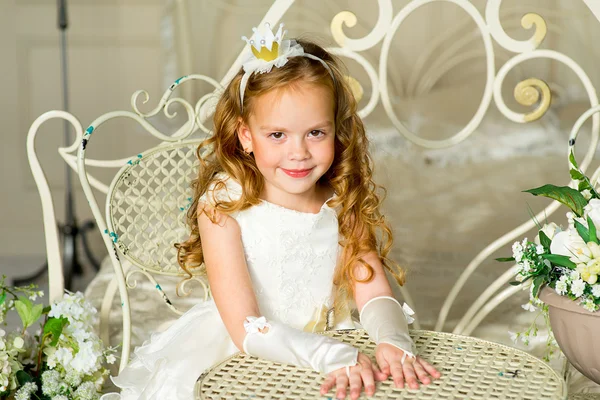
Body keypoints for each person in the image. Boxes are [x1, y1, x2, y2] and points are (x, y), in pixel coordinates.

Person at [102, 23, 440, 400]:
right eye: (277, 135)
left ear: (335, 130)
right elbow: (246, 327)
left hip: (330, 344)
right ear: (246, 136)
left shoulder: (340, 197)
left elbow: (373, 287)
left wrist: (392, 339)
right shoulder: (222, 204)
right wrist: (328, 353)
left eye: (316, 133)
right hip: (243, 351)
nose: (299, 152)